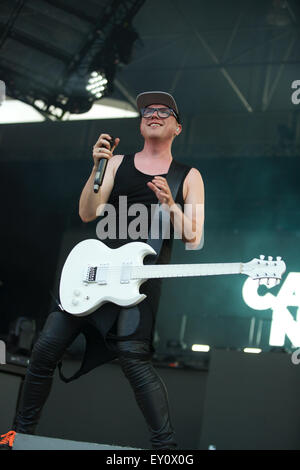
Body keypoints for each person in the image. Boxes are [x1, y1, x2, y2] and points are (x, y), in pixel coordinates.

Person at [0, 91, 204, 450]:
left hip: (137, 279)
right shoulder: (115, 163)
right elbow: (87, 212)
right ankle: (19, 436)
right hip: (93, 273)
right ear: (141, 123)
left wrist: (171, 205)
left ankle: (165, 448)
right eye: (147, 111)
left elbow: (193, 236)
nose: (153, 114)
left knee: (132, 357)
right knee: (46, 348)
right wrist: (96, 166)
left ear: (177, 127)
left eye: (163, 111)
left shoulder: (187, 176)